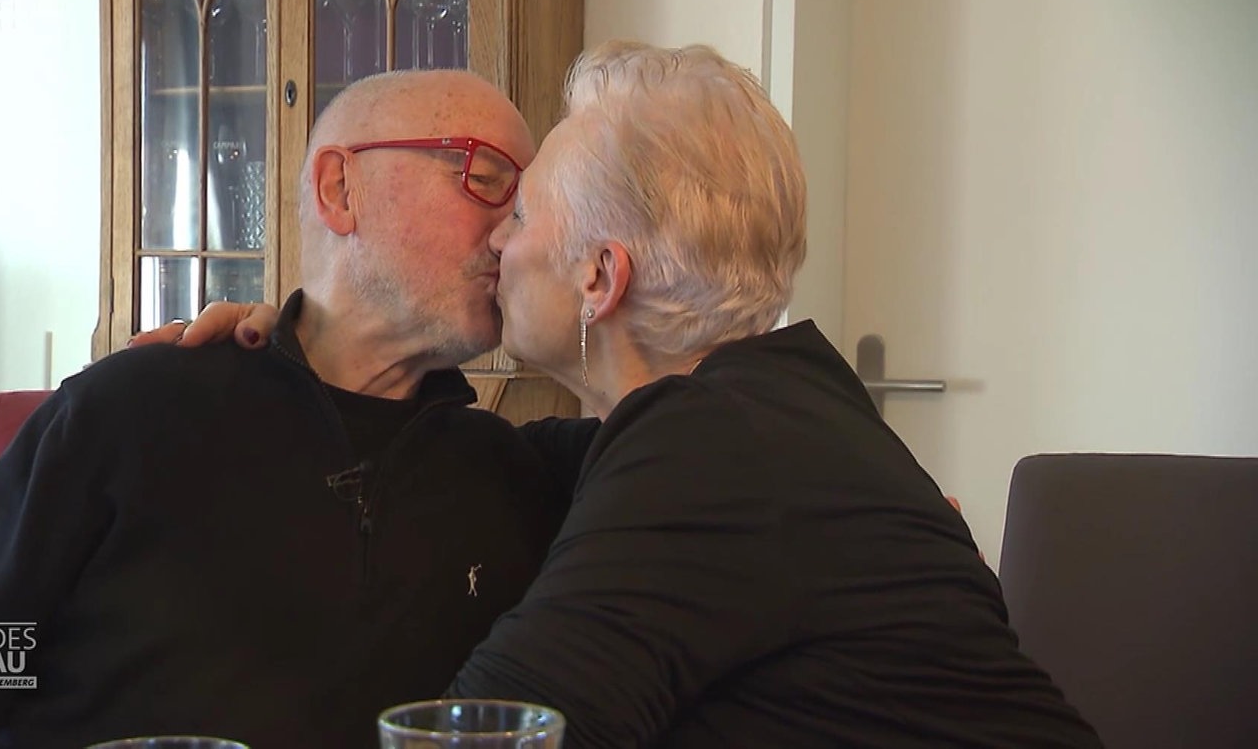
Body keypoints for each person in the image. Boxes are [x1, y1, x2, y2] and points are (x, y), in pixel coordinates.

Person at [169, 42, 1102, 747]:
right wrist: (290, 348)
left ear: (600, 278)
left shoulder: (712, 454)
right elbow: (458, 455)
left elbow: (493, 735)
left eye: (521, 211)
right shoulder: (777, 414)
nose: (496, 240)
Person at [0, 69, 591, 748]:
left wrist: (571, 321)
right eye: (485, 175)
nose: (510, 233)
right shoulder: (135, 412)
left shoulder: (517, 476)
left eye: (527, 204)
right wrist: (41, 662)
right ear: (340, 189)